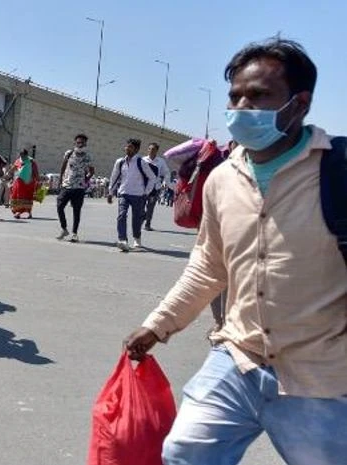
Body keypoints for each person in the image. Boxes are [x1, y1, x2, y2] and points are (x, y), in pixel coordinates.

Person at [124, 38, 347, 465]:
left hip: (322, 375)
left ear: (299, 103)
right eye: (235, 96)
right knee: (184, 453)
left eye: (260, 96)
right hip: (238, 359)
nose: (242, 106)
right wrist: (157, 326)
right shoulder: (222, 179)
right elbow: (208, 266)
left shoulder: (338, 170)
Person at [107, 138, 156, 251]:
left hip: (138, 195)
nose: (127, 148)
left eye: (131, 147)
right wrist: (110, 192)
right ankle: (123, 240)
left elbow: (152, 178)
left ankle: (137, 238)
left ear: (136, 149)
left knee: (136, 219)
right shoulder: (120, 162)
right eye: (127, 146)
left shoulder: (141, 162)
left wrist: (146, 192)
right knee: (121, 216)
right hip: (123, 193)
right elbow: (114, 177)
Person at [56, 134, 94, 241]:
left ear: (85, 144)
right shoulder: (69, 153)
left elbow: (92, 171)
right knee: (59, 206)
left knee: (76, 210)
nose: (80, 144)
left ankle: (74, 233)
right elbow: (63, 166)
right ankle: (64, 229)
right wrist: (60, 179)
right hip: (66, 185)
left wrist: (85, 180)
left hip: (79, 188)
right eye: (78, 142)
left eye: (82, 143)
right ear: (75, 143)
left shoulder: (87, 156)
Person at [142, 142, 170, 231]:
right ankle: (143, 216)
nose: (150, 151)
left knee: (150, 206)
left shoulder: (161, 161)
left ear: (157, 151)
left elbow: (166, 173)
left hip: (155, 188)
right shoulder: (143, 160)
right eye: (149, 149)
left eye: (153, 149)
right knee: (140, 205)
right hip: (143, 187)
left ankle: (147, 224)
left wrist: (165, 182)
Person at [8, 148, 39, 219]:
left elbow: (35, 171)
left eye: (23, 156)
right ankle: (18, 212)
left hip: (29, 182)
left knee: (28, 197)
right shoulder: (18, 160)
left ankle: (29, 212)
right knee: (18, 197)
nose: (22, 157)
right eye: (20, 155)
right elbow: (14, 168)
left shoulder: (31, 161)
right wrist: (8, 174)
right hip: (19, 182)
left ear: (26, 155)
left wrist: (38, 180)